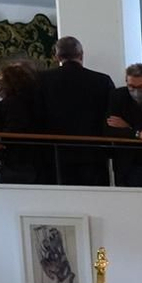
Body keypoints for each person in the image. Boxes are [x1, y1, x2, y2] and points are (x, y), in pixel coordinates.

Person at [36, 36, 115, 186]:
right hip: (93, 152)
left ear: (57, 56)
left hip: (54, 153)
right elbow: (111, 117)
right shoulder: (102, 81)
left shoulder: (42, 80)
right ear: (81, 54)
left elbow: (36, 114)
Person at [0, 62, 47, 184]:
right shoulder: (32, 100)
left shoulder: (13, 103)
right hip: (30, 160)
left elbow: (15, 127)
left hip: (15, 161)